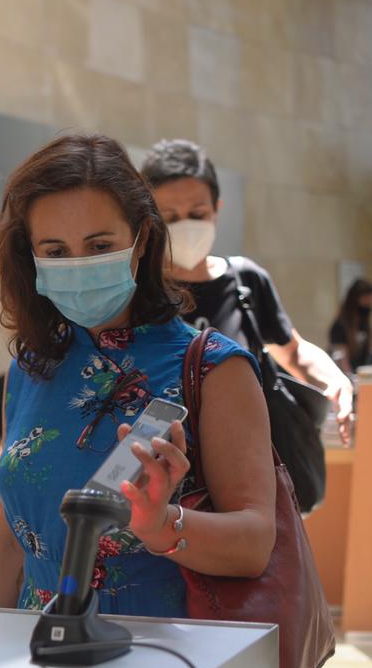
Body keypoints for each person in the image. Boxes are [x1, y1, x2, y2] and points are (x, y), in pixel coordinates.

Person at [0, 134, 278, 616]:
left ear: (141, 241)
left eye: (99, 244)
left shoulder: (216, 368)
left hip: (157, 654)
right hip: (33, 649)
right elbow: (8, 545)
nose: (79, 264)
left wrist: (162, 524)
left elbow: (255, 543)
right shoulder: (32, 366)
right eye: (55, 251)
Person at [140, 138, 356, 444]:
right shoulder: (138, 289)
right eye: (171, 217)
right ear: (151, 221)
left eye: (197, 214)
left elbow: (292, 351)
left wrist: (335, 380)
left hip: (244, 456)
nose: (185, 226)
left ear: (217, 209)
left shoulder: (244, 280)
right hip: (163, 460)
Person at [327, 278, 372, 374]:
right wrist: (352, 380)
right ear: (355, 300)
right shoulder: (340, 326)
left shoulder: (363, 324)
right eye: (366, 300)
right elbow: (341, 360)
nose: (370, 304)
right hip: (348, 378)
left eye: (371, 300)